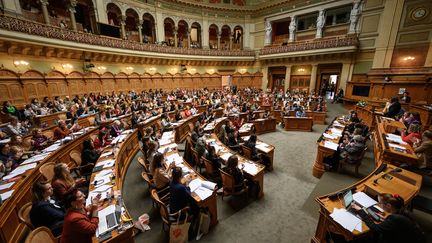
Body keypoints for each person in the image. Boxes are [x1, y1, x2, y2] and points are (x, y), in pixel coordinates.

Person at [352, 193, 425, 243]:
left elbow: (375, 228)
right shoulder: (402, 211)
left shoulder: (394, 218)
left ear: (389, 206)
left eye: (380, 203)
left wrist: (361, 211)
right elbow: (397, 224)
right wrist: (385, 219)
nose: (379, 205)